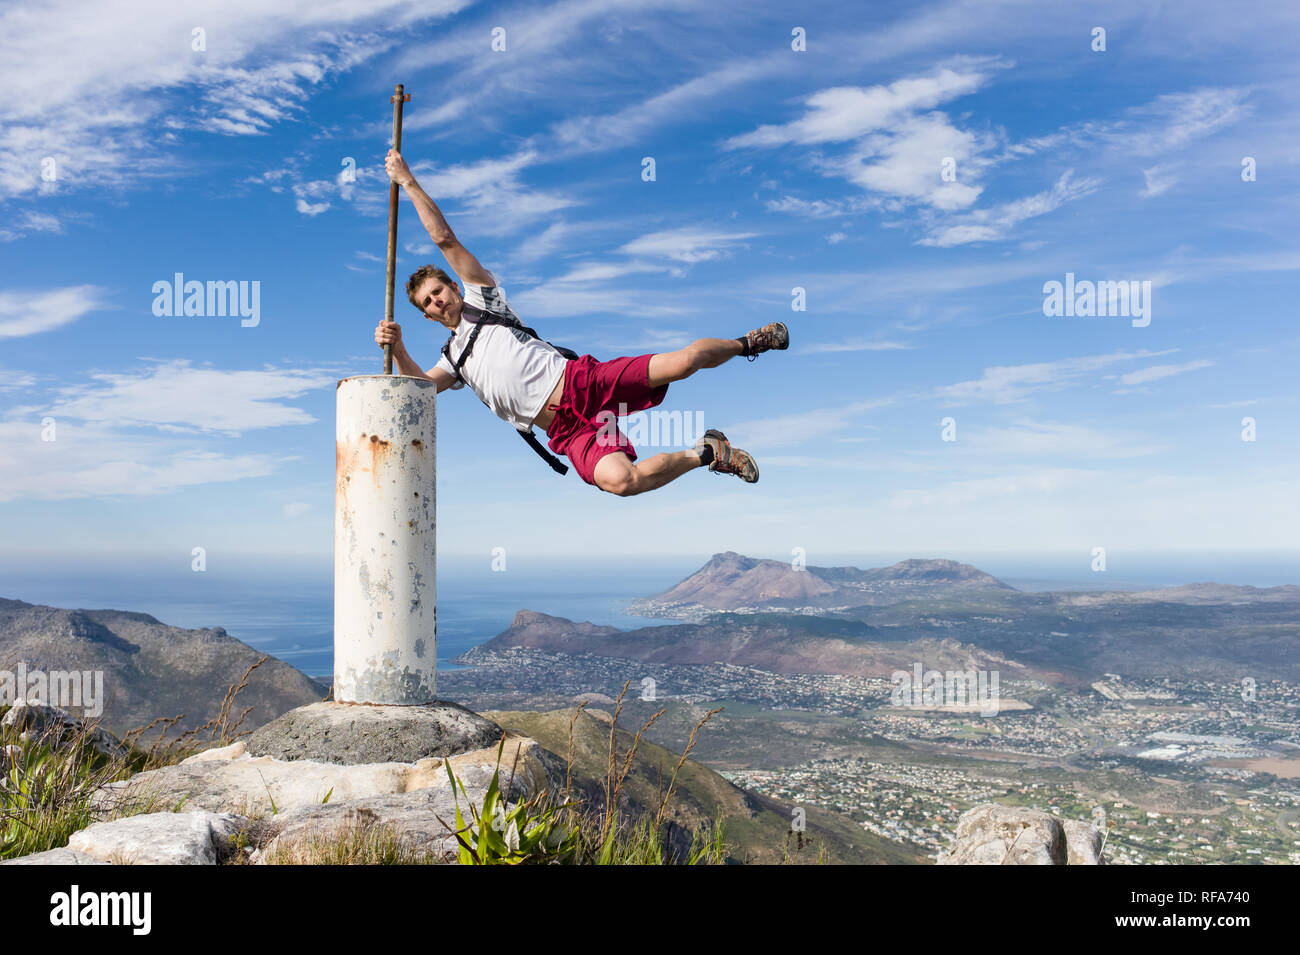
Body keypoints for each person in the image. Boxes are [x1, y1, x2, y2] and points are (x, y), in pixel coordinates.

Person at [374, 149, 789, 496]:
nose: (436, 300)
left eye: (439, 290)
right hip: (566, 429)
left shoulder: (484, 300)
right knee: (621, 482)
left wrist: (408, 182)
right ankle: (709, 453)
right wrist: (399, 348)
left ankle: (747, 344)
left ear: (453, 288)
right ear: (427, 314)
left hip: (582, 381)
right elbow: (418, 390)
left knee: (684, 362)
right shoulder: (453, 359)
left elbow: (445, 238)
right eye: (428, 301)